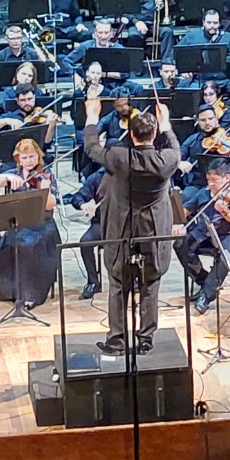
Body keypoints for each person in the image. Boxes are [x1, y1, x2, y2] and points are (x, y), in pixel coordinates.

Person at [84, 97, 183, 356]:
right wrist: (167, 124)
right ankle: (146, 339)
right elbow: (174, 145)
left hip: (122, 228)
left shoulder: (118, 156)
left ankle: (116, 340)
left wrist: (92, 117)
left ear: (130, 134)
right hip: (152, 229)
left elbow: (92, 147)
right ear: (153, 134)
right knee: (151, 282)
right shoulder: (167, 159)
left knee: (119, 282)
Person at [0, 139, 62, 306]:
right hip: (19, 225)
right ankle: (10, 291)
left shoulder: (46, 175)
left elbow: (51, 205)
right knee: (3, 247)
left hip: (42, 226)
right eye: (24, 158)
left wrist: (45, 190)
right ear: (18, 158)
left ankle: (30, 295)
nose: (28, 161)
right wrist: (7, 176)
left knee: (27, 247)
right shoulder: (15, 173)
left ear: (38, 156)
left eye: (32, 157)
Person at [177, 159, 230, 315]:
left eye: (215, 180)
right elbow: (187, 209)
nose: (211, 184)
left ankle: (206, 295)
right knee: (180, 244)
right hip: (207, 231)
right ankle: (206, 282)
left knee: (224, 254)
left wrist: (224, 211)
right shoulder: (205, 192)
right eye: (208, 180)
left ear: (227, 178)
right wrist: (175, 214)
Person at [65, 168, 108, 300]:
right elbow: (77, 197)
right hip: (101, 223)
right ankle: (93, 281)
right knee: (85, 242)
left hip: (125, 223)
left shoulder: (128, 173)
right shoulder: (97, 177)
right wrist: (83, 205)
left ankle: (133, 279)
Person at [177, 9, 230, 81]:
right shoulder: (192, 36)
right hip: (200, 80)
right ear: (203, 22)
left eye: (215, 23)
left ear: (219, 23)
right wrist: (185, 69)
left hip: (225, 79)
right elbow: (178, 53)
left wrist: (219, 61)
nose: (212, 26)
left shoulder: (228, 37)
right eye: (209, 22)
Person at [0, 83, 58, 147]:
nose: (27, 103)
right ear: (17, 101)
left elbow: (46, 143)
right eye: (23, 100)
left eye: (30, 99)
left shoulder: (42, 118)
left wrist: (50, 126)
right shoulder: (12, 115)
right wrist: (7, 121)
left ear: (34, 97)